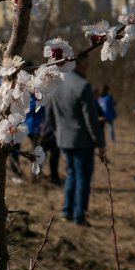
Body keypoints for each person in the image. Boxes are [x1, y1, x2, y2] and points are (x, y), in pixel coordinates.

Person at [46, 54, 105, 226]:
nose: (89, 66)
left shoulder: (57, 85)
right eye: (87, 62)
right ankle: (79, 216)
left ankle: (66, 211)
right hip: (82, 141)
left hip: (63, 139)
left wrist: (58, 132)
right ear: (80, 63)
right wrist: (100, 143)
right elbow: (91, 119)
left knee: (71, 174)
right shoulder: (83, 85)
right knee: (82, 177)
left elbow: (49, 115)